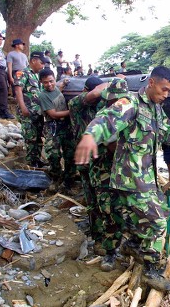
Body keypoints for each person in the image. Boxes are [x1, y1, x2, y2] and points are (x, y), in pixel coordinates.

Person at [74, 66, 170, 291]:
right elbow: (108, 119)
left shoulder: (156, 110)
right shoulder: (130, 103)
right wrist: (90, 135)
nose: (166, 95)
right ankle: (150, 270)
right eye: (164, 89)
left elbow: (168, 133)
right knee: (157, 222)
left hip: (145, 179)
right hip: (130, 180)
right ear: (152, 83)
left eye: (169, 91)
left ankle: (133, 247)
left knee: (142, 220)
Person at [88, 77, 129, 271]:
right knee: (109, 211)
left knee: (126, 211)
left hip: (123, 173)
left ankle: (128, 245)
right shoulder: (104, 116)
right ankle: (110, 251)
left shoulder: (130, 114)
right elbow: (112, 146)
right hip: (104, 173)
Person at [68, 76, 107, 249]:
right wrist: (114, 82)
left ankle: (106, 233)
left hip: (101, 161)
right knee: (92, 199)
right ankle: (97, 236)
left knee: (104, 199)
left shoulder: (99, 105)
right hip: (86, 161)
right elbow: (95, 93)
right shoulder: (76, 104)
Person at [38, 68, 76, 191]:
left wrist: (64, 82)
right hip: (53, 126)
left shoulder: (56, 89)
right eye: (45, 82)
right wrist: (72, 112)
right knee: (53, 154)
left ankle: (69, 178)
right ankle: (56, 177)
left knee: (70, 153)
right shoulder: (43, 95)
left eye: (51, 81)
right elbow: (53, 114)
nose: (49, 84)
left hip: (66, 125)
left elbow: (58, 88)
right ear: (41, 83)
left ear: (54, 79)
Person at [13, 51, 48, 168]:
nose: (43, 65)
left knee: (38, 137)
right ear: (33, 61)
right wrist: (23, 108)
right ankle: (31, 163)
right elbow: (18, 91)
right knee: (30, 138)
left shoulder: (37, 76)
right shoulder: (22, 73)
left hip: (37, 112)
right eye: (41, 63)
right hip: (27, 112)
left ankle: (37, 160)